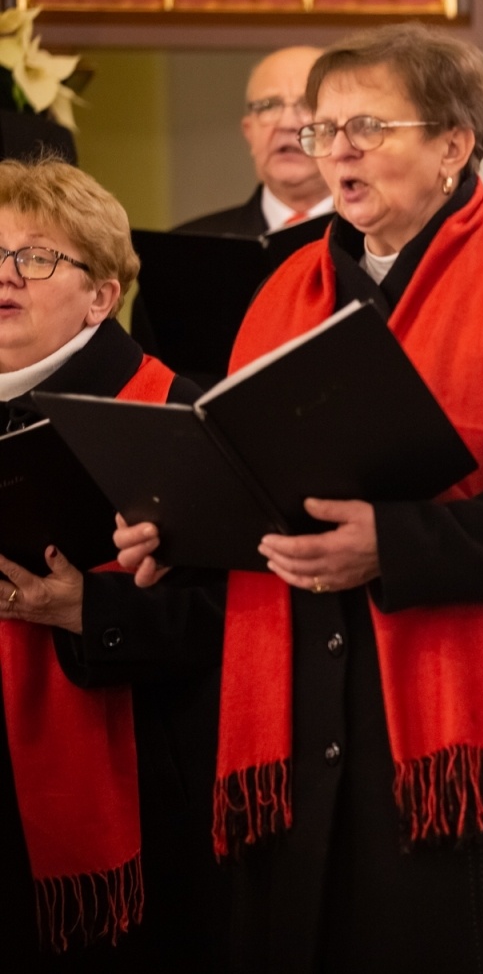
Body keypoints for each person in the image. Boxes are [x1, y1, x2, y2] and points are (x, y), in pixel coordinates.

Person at [117, 22, 483, 972]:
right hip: (317, 700)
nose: (338, 150)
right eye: (325, 130)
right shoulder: (289, 289)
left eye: (368, 125)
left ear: (455, 143)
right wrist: (185, 532)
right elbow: (263, 483)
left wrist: (394, 545)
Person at [0, 158, 224, 971]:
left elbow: (246, 618)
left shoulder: (178, 413)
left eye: (35, 256)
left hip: (149, 790)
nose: (5, 277)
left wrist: (85, 613)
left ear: (102, 295)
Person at [175, 46, 332, 236]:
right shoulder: (189, 247)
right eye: (268, 106)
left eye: (308, 104)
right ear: (249, 132)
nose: (287, 123)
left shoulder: (374, 244)